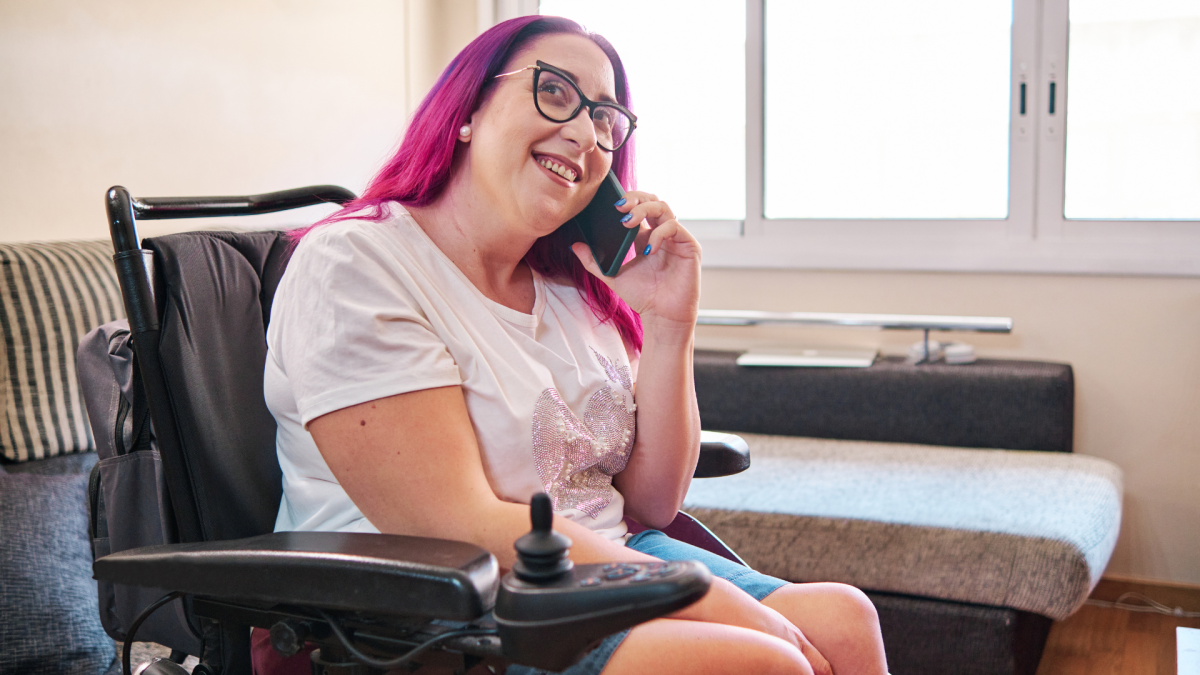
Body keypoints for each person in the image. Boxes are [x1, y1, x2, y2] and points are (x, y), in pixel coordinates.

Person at [260, 15, 888, 675]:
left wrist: (672, 321)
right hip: (456, 598)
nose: (587, 134)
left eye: (606, 119)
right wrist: (708, 599)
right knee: (757, 660)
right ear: (468, 109)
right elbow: (456, 521)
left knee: (846, 619)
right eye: (555, 93)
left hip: (605, 560)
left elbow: (650, 504)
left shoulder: (571, 287)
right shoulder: (356, 263)